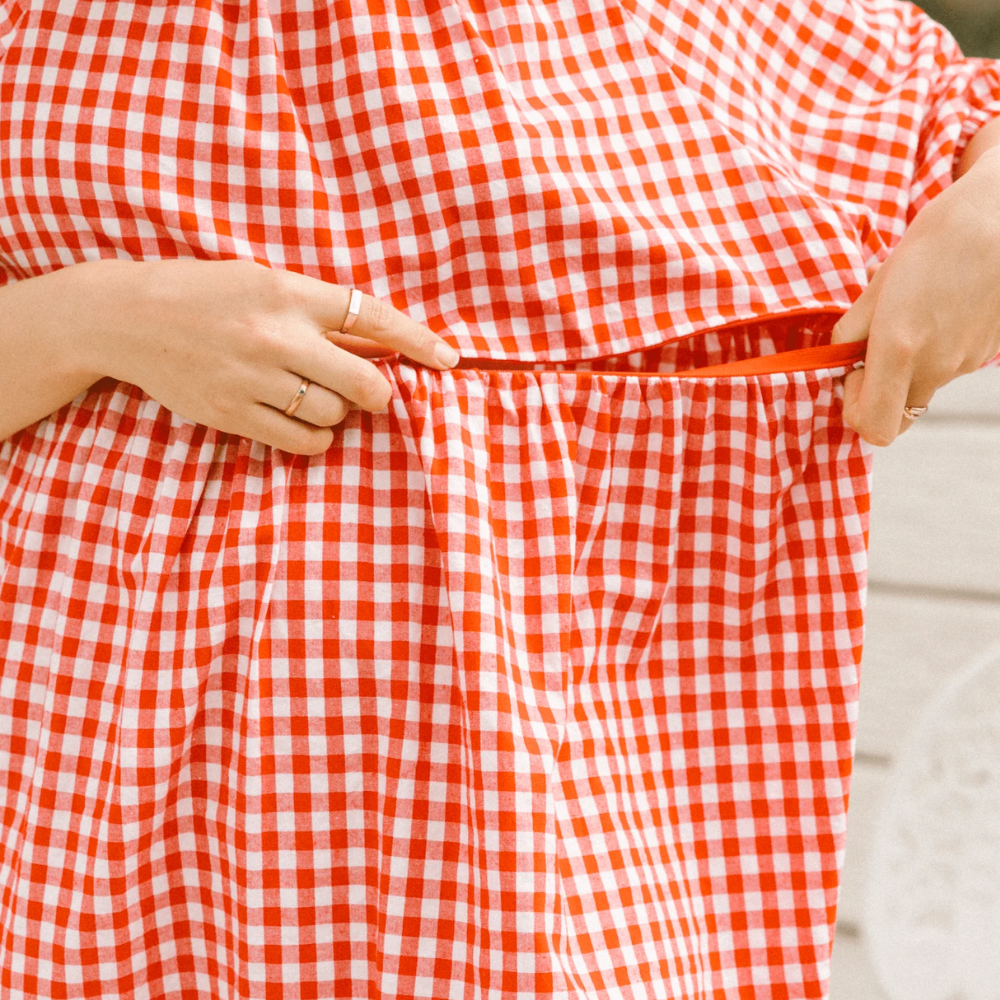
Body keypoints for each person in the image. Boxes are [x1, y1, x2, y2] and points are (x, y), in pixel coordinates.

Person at [0, 1, 998, 997]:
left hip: (589, 810)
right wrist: (94, 318)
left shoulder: (720, 34)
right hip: (118, 782)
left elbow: (960, 121)